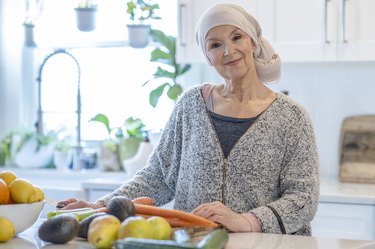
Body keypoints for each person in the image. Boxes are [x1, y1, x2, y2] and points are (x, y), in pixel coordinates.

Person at [58, 3, 320, 235]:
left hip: (265, 244)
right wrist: (102, 205)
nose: (228, 51)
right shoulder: (190, 105)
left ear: (253, 42)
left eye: (236, 37)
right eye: (215, 44)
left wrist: (246, 221)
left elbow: (303, 198)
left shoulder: (291, 117)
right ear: (208, 57)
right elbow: (158, 176)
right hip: (195, 241)